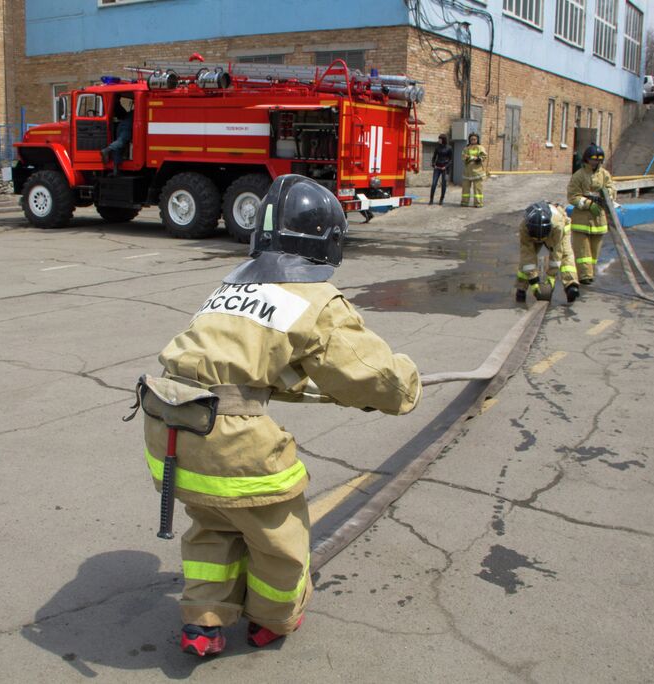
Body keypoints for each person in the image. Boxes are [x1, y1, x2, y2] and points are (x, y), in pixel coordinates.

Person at [138, 175, 421, 657]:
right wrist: (405, 385)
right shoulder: (315, 300)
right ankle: (271, 620)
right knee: (277, 536)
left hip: (167, 426)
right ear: (326, 241)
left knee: (213, 526)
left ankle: (203, 621)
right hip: (228, 442)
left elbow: (234, 363)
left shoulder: (230, 286)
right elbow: (372, 376)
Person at [566, 143, 615, 284]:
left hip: (599, 220)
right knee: (583, 252)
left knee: (594, 253)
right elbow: (572, 196)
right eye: (593, 159)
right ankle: (584, 275)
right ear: (587, 159)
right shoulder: (579, 176)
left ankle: (590, 273)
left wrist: (608, 195)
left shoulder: (604, 175)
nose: (596, 162)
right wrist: (588, 204)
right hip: (581, 220)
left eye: (599, 159)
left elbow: (612, 189)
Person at [515, 201, 579, 304]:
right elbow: (527, 254)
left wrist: (551, 276)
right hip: (534, 232)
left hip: (560, 227)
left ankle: (571, 285)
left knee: (566, 253)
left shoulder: (557, 225)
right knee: (527, 261)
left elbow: (557, 251)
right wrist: (534, 281)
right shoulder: (524, 227)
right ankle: (521, 289)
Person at [100, 95, 133, 175]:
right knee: (121, 142)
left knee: (119, 148)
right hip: (126, 127)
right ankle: (107, 150)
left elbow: (121, 114)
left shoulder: (130, 112)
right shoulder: (135, 112)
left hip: (121, 126)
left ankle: (115, 170)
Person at [461, 132, 487, 208]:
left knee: (478, 190)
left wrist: (477, 158)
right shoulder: (466, 148)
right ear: (469, 139)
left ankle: (478, 203)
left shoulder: (480, 147)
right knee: (465, 190)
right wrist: (469, 158)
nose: (473, 140)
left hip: (477, 172)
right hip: (467, 172)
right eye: (471, 139)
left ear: (477, 139)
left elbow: (484, 156)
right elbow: (463, 156)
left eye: (474, 139)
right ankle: (464, 202)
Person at [429, 133, 453, 205]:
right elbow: (434, 157)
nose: (439, 140)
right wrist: (433, 164)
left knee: (443, 184)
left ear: (443, 140)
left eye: (440, 139)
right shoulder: (437, 147)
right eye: (438, 139)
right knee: (434, 184)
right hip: (437, 168)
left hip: (445, 169)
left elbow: (451, 160)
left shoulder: (449, 148)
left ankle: (441, 199)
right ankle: (431, 199)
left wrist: (445, 166)